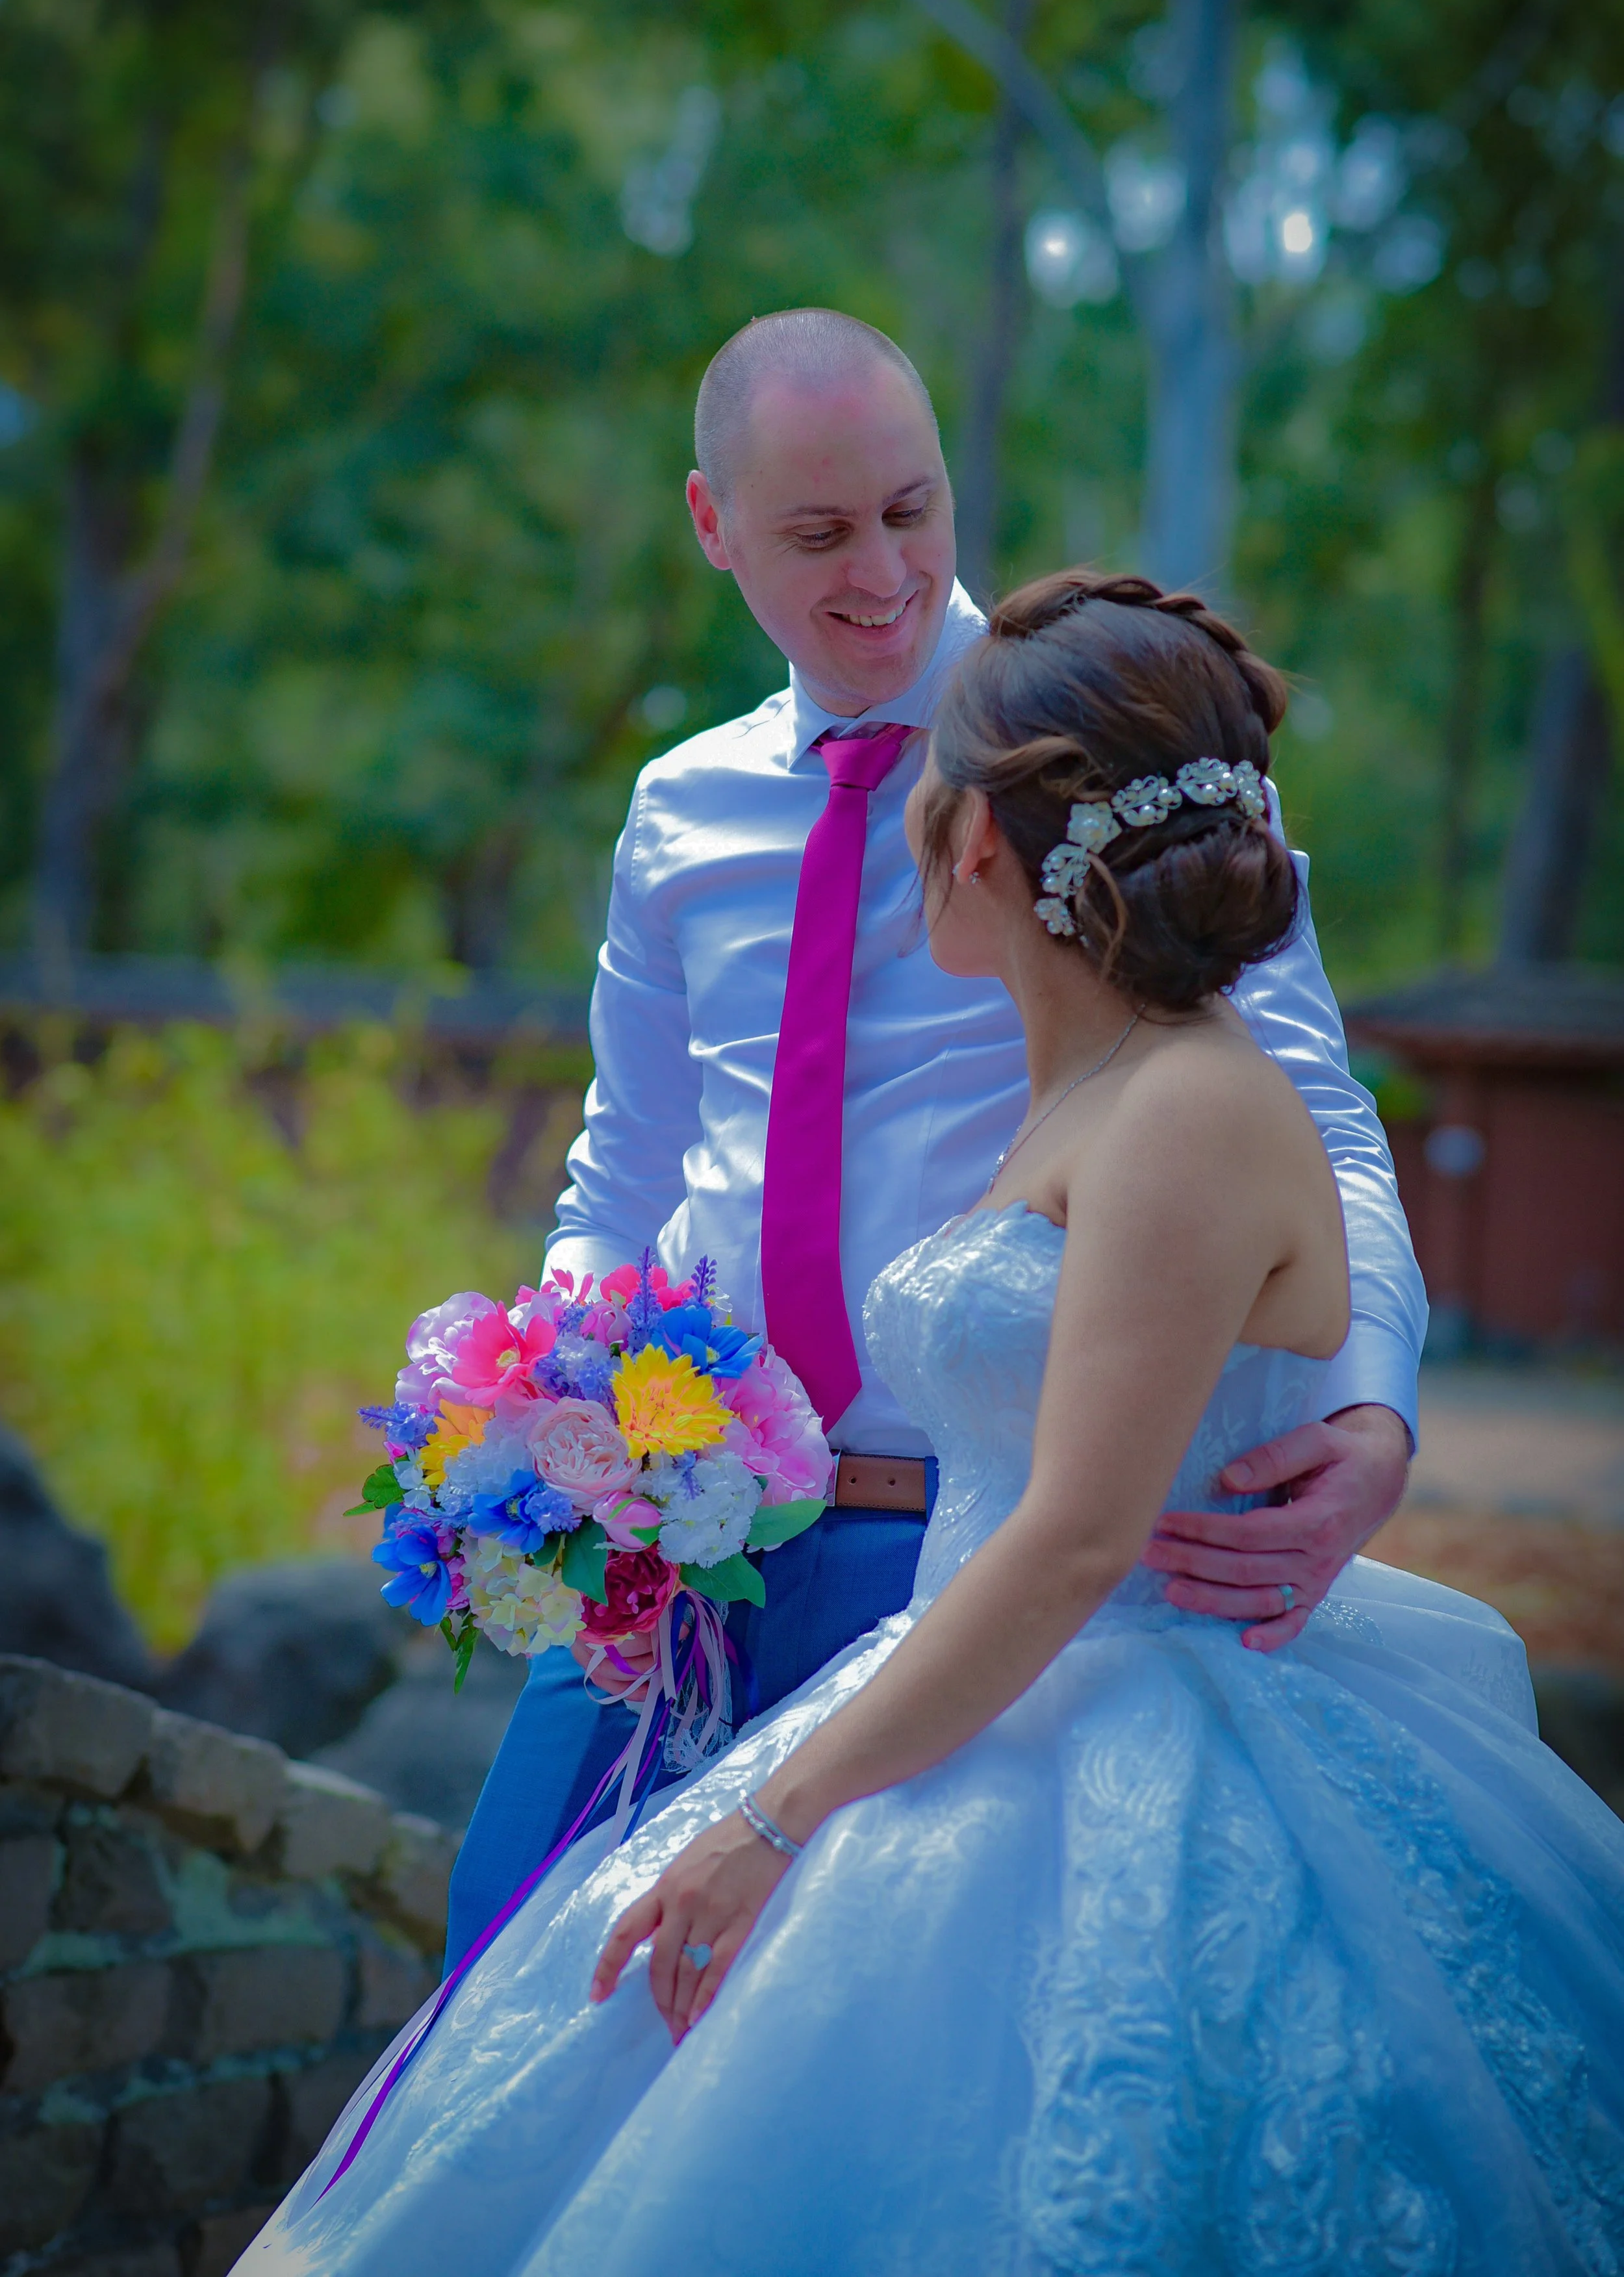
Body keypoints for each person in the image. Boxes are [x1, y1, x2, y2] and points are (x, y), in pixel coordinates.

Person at [246, 574, 1624, 2276]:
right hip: (961, 1678)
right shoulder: (1096, 1082)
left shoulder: (1185, 1112)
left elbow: (1072, 1536)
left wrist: (772, 1820)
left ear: (973, 841)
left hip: (1110, 1716)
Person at [444, 305, 1426, 1971]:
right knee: (501, 1964)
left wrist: (1368, 1406)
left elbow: (1307, 1115)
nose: (883, 570)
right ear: (713, 527)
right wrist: (565, 1404)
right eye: (818, 533)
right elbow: (623, 1161)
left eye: (912, 508)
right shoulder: (678, 808)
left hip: (962, 1534)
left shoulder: (1098, 751)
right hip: (684, 1542)